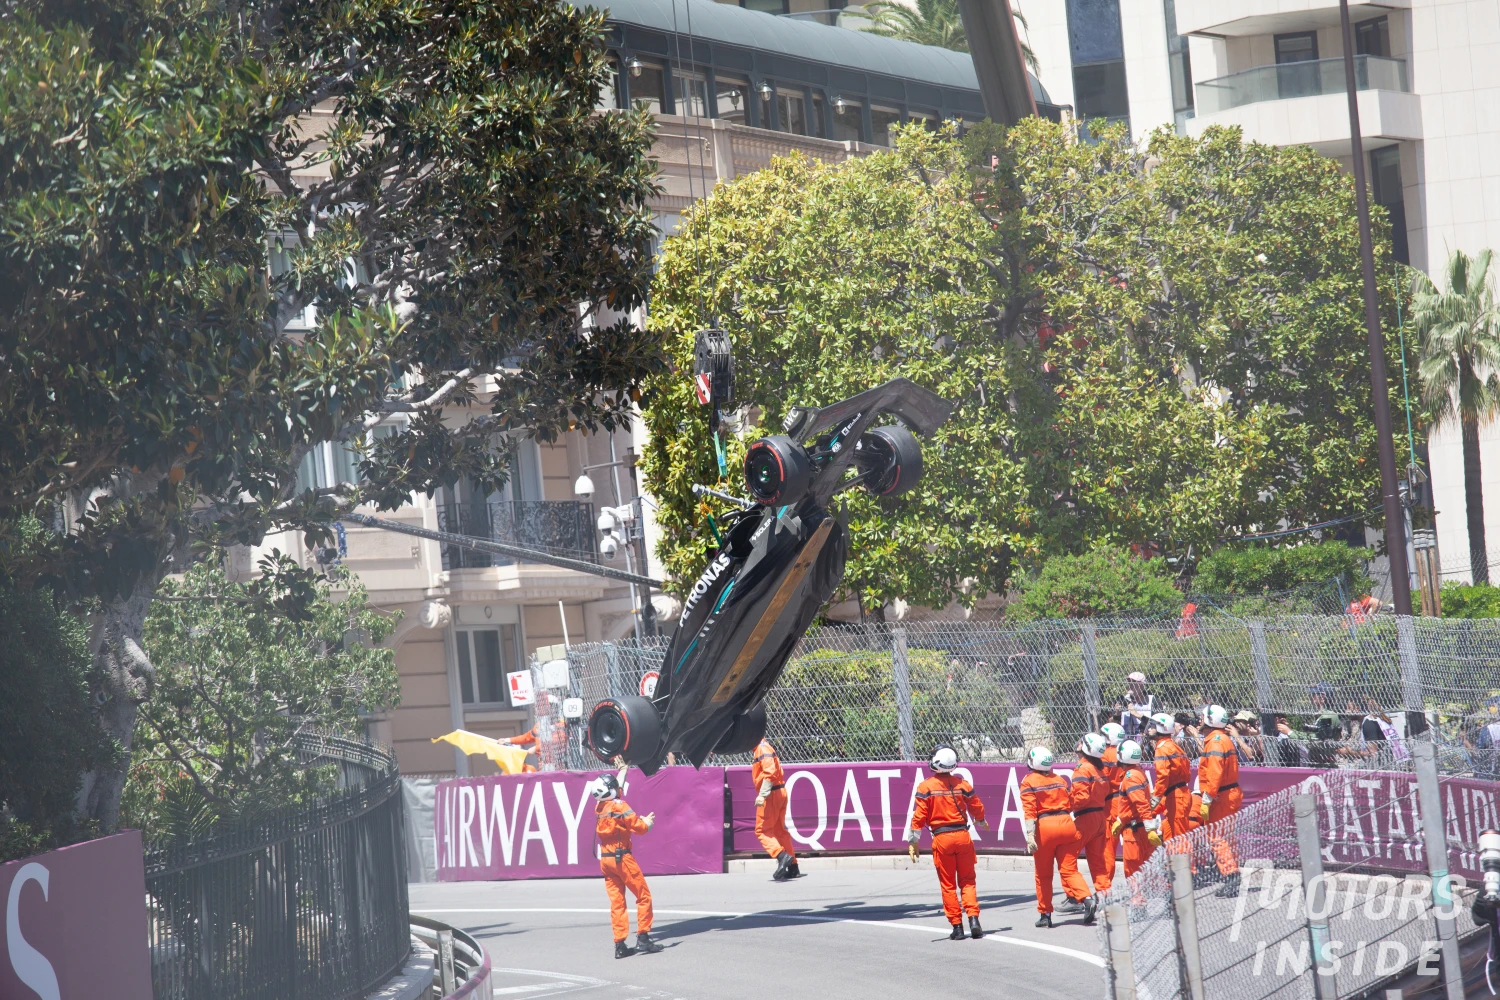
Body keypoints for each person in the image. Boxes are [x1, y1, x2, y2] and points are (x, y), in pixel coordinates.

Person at [908, 744, 987, 940]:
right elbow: (977, 807)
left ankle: (957, 927)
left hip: (942, 839)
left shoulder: (925, 787)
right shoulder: (963, 784)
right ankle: (974, 918)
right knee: (968, 881)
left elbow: (919, 816)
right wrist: (981, 820)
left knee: (948, 884)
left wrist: (913, 841)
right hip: (963, 836)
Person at [593, 762, 663, 958]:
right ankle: (643, 938)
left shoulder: (600, 806)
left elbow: (615, 791)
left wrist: (622, 770)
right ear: (609, 791)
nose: (617, 788)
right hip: (622, 858)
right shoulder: (620, 806)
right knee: (643, 895)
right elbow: (639, 828)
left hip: (606, 862)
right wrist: (647, 823)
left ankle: (620, 945)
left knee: (617, 902)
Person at [1021, 746, 1094, 928]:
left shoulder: (1028, 781)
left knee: (1043, 875)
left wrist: (1030, 835)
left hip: (1045, 828)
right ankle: (1087, 898)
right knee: (1069, 870)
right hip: (1066, 824)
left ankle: (1045, 914)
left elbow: (1030, 810)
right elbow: (1069, 801)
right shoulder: (1059, 779)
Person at [1198, 704, 1243, 897]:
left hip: (1220, 796)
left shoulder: (1215, 742)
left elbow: (1214, 774)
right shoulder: (1222, 739)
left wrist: (1206, 799)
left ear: (1210, 721)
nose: (1199, 720)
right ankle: (1232, 872)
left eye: (1202, 717)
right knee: (1227, 837)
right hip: (1228, 793)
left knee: (1217, 838)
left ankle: (1230, 874)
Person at [1070, 732, 1113, 904]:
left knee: (1067, 858)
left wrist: (1063, 803)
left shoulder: (1083, 768)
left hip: (1085, 819)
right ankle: (1105, 897)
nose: (1078, 744)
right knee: (1098, 863)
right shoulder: (1099, 770)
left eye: (1082, 742)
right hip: (1099, 819)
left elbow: (1081, 798)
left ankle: (1078, 896)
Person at [1108, 740, 1160, 877]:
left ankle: (1138, 899)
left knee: (1133, 870)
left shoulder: (1131, 777)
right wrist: (1121, 819)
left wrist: (1150, 828)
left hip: (1135, 831)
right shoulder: (1138, 772)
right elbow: (1132, 804)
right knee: (1149, 867)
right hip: (1140, 827)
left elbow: (1140, 803)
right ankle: (1158, 896)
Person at [752, 735, 799, 880]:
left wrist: (762, 794)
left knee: (762, 831)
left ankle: (782, 856)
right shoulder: (763, 747)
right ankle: (793, 866)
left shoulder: (761, 748)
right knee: (780, 831)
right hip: (779, 792)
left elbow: (770, 772)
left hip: (771, 793)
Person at [1148, 713, 1191, 842]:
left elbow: (1163, 776)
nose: (1149, 728)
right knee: (1175, 838)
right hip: (1179, 794)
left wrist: (1156, 797)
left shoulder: (1162, 748)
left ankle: (1183, 863)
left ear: (1162, 728)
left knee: (1179, 840)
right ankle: (1176, 862)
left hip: (1176, 797)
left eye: (1153, 725)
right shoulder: (1173, 746)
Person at [1100, 721, 1127, 878]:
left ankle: (1105, 888)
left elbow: (1102, 781)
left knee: (1108, 849)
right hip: (1127, 802)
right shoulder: (1127, 751)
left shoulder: (1106, 754)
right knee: (1132, 849)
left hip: (1112, 804)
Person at [1122, 672, 1153, 738]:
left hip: (1143, 743)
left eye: (1133, 682)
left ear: (1142, 685)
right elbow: (1112, 722)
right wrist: (1116, 714)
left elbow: (1157, 725)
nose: (1130, 685)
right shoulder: (1124, 699)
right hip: (1125, 744)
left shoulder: (1151, 701)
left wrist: (1136, 714)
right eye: (1129, 682)